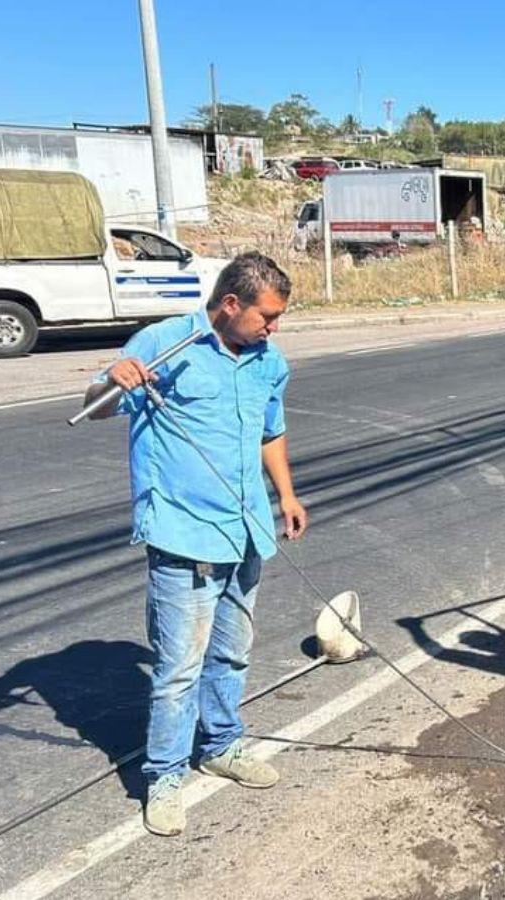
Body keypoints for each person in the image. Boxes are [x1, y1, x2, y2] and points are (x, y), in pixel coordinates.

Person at [81, 251, 309, 835]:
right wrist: (113, 378)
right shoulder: (164, 343)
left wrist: (285, 495)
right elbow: (96, 409)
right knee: (178, 669)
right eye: (267, 315)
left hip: (247, 530)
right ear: (230, 304)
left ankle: (223, 745)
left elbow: (270, 430)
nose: (273, 327)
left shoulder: (267, 361)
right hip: (183, 533)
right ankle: (164, 777)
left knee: (232, 652)